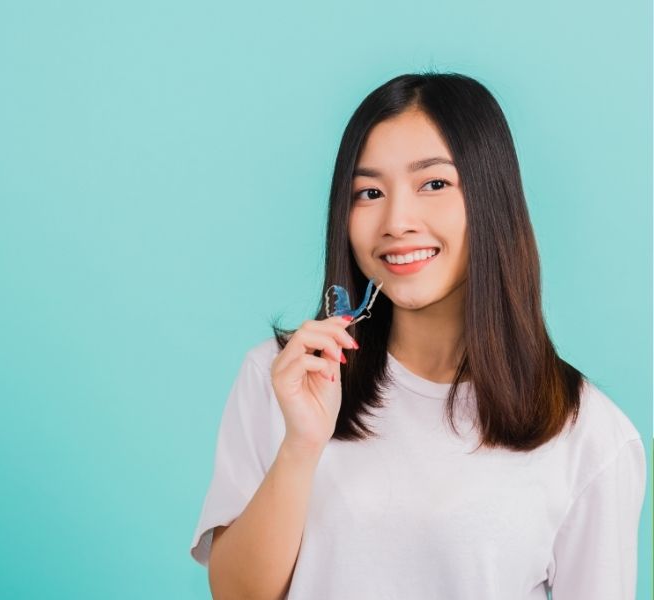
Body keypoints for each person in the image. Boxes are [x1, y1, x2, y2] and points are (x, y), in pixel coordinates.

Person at [188, 72, 647, 599]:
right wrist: (300, 446)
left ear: (491, 200)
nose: (397, 220)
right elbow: (236, 594)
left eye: (434, 183)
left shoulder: (591, 437)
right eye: (370, 192)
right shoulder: (286, 378)